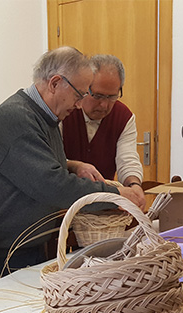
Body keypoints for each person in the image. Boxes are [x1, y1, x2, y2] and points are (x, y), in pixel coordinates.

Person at [0, 47, 144, 278]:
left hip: (28, 243)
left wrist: (72, 165)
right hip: (5, 251)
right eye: (79, 95)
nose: (79, 105)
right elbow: (53, 185)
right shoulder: (17, 118)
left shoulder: (45, 116)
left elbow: (43, 166)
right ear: (55, 83)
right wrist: (113, 194)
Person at [61, 54, 145, 210]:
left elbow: (127, 159)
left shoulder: (124, 117)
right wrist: (75, 166)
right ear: (85, 88)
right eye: (98, 96)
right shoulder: (65, 111)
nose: (104, 105)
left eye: (112, 96)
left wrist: (134, 185)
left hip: (102, 208)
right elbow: (51, 162)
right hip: (63, 205)